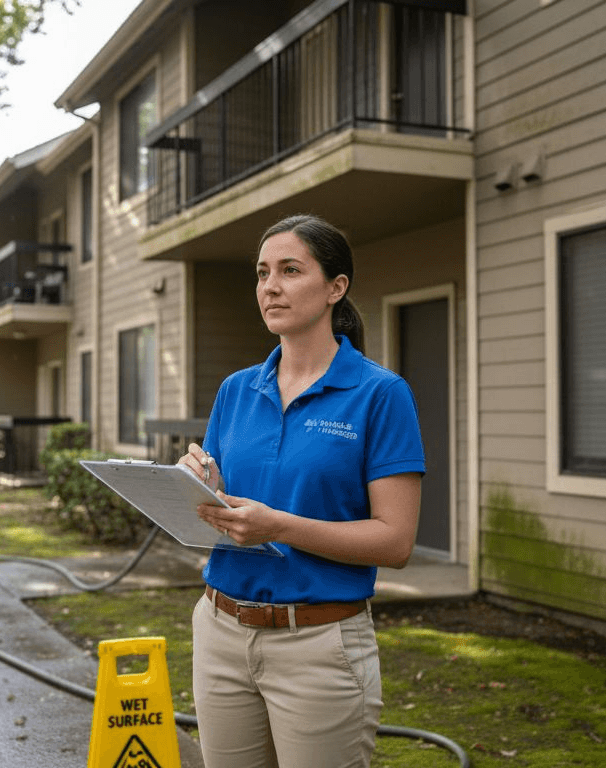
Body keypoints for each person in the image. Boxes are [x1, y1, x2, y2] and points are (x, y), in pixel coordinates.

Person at [178, 213, 425, 768]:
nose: (271, 286)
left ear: (336, 287)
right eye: (263, 272)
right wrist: (205, 489)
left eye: (291, 270)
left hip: (319, 644)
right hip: (219, 631)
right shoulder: (236, 390)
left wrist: (279, 526)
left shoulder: (380, 394)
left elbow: (395, 542)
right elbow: (220, 512)